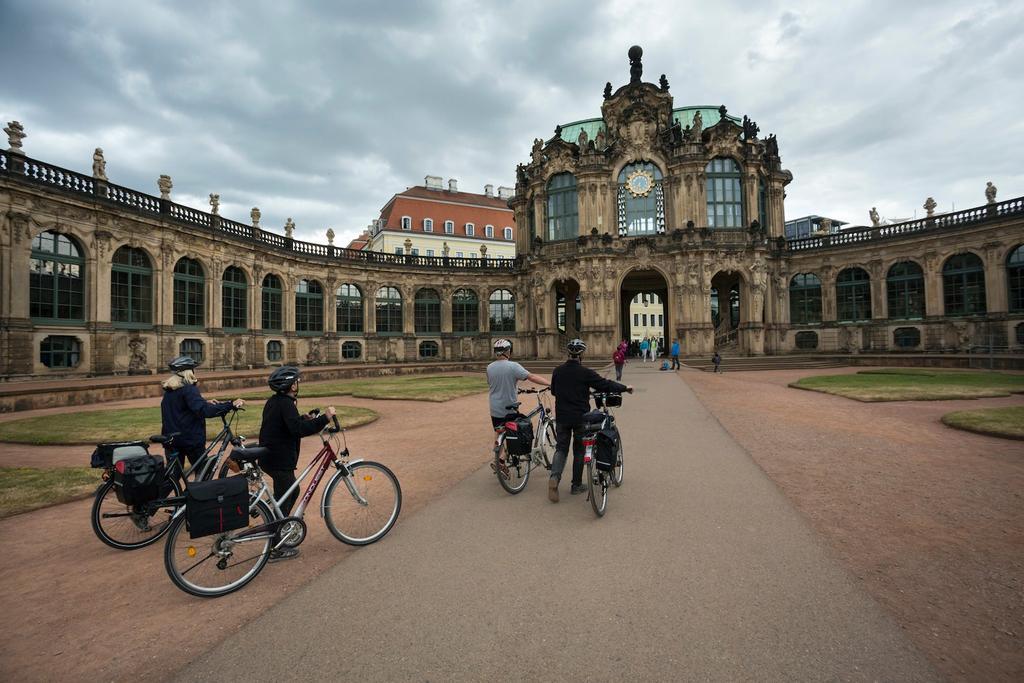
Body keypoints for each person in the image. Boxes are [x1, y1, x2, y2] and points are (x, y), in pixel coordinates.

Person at [259, 366, 335, 561]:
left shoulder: (276, 401)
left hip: (271, 457)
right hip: (279, 459)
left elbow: (288, 424)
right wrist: (324, 419)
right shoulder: (286, 403)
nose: (298, 384)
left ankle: (277, 525)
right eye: (297, 382)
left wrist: (303, 418)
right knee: (287, 494)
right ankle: (276, 546)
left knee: (289, 492)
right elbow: (296, 430)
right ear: (292, 385)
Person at [548, 339, 631, 503]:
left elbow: (554, 391)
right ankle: (576, 485)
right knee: (579, 450)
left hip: (562, 417)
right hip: (581, 417)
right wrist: (625, 388)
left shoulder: (557, 371)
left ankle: (554, 479)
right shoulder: (585, 372)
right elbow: (604, 385)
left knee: (561, 449)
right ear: (581, 355)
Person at [160, 356, 244, 473]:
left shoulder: (170, 390)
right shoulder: (189, 388)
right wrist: (230, 405)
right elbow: (204, 411)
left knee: (173, 476)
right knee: (203, 472)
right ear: (189, 372)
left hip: (172, 439)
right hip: (189, 439)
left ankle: (162, 491)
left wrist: (205, 402)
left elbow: (186, 407)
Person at [487, 339, 550, 479]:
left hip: (494, 408)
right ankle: (501, 460)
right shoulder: (513, 366)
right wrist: (550, 383)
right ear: (508, 351)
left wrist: (516, 388)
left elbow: (498, 385)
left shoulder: (489, 367)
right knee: (517, 430)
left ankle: (497, 453)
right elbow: (531, 377)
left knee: (499, 430)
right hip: (508, 408)